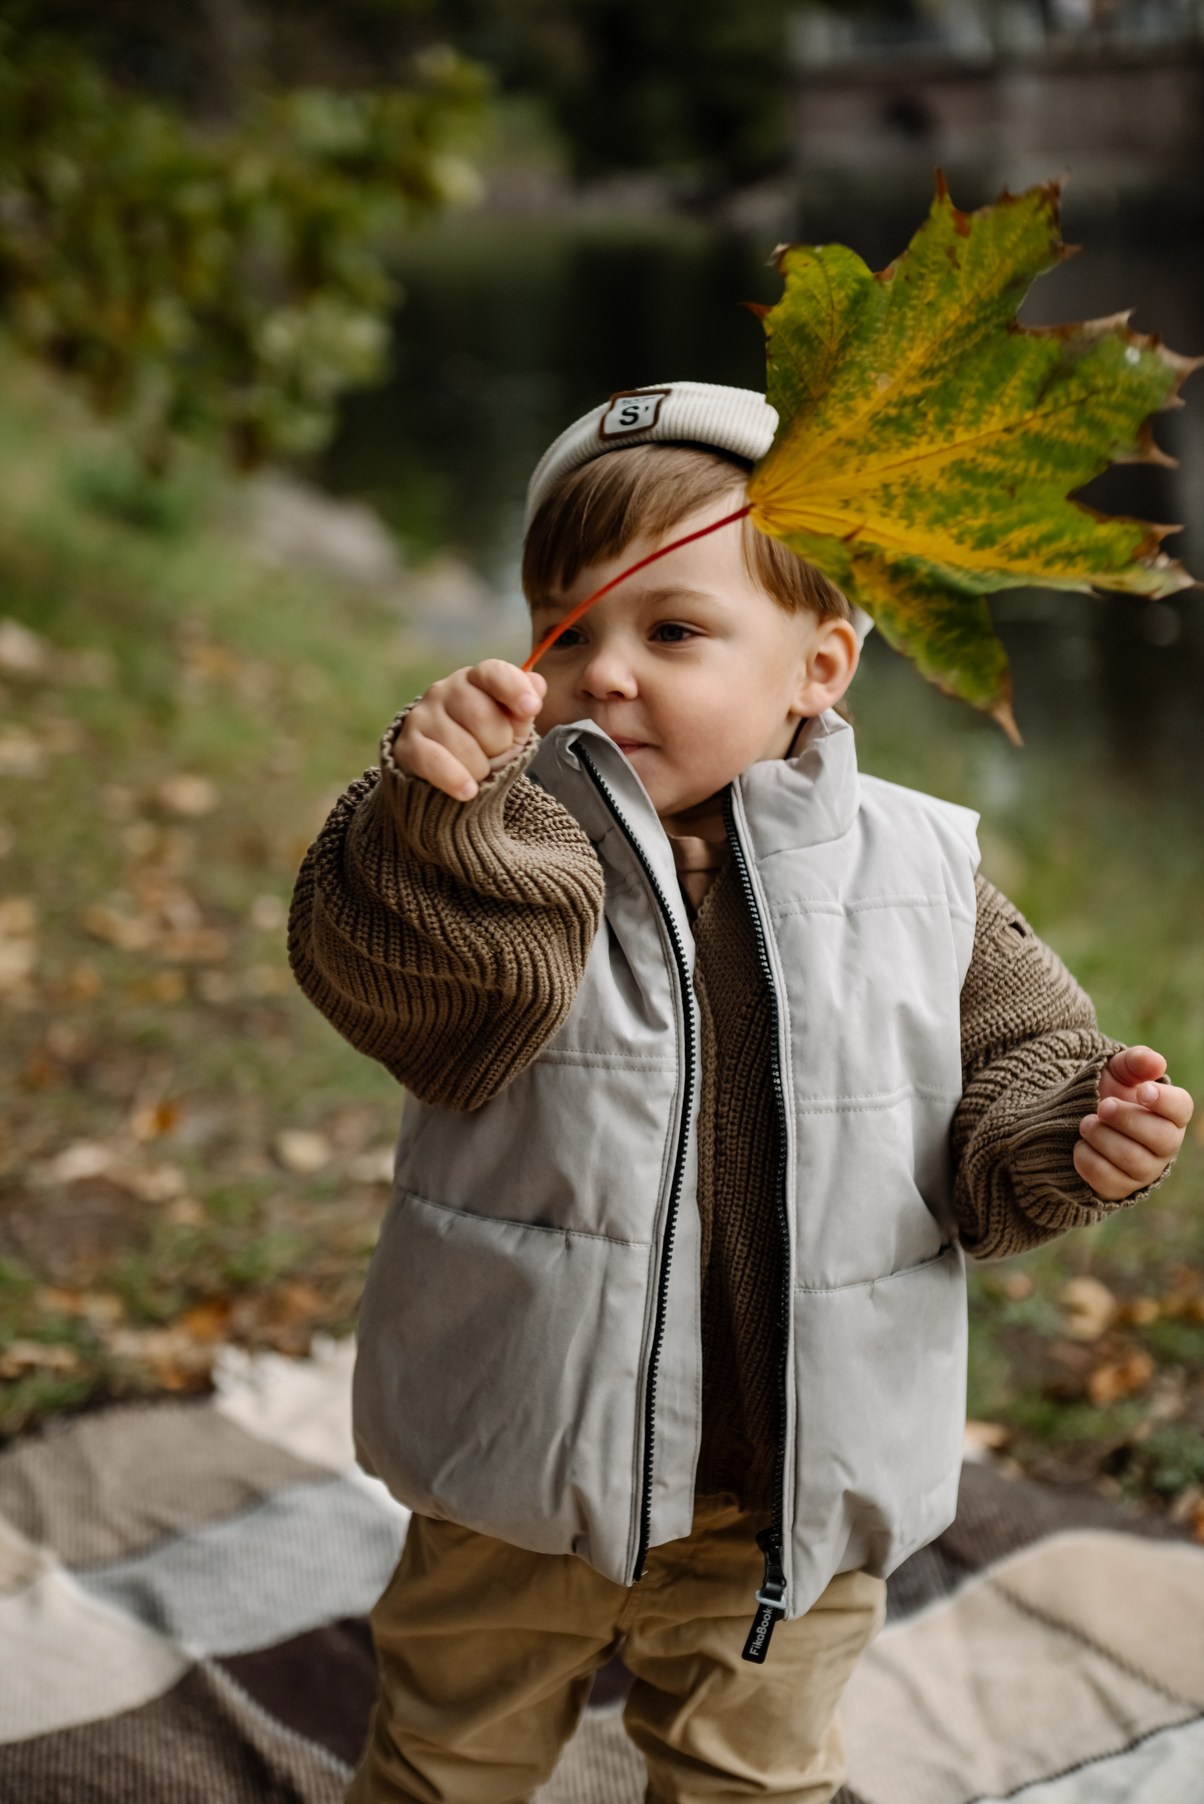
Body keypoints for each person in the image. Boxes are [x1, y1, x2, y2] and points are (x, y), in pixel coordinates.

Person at [287, 382, 1193, 1804]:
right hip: (517, 1469)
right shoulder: (510, 847)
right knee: (443, 1760)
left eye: (672, 632)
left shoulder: (925, 877)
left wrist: (1077, 1135)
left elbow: (1020, 1069)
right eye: (567, 628)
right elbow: (425, 996)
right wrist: (428, 824)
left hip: (788, 1496)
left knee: (753, 1782)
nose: (605, 674)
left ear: (818, 666)